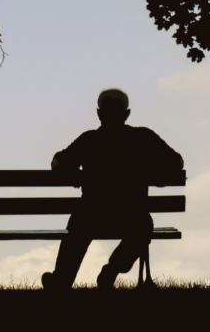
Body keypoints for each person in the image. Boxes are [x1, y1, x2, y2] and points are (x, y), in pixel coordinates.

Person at [42, 88, 184, 290]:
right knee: (143, 226)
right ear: (127, 114)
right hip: (133, 215)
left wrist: (74, 173)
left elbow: (57, 164)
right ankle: (112, 270)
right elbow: (177, 162)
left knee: (77, 227)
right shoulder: (143, 137)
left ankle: (61, 280)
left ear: (99, 113)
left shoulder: (89, 140)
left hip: (92, 214)